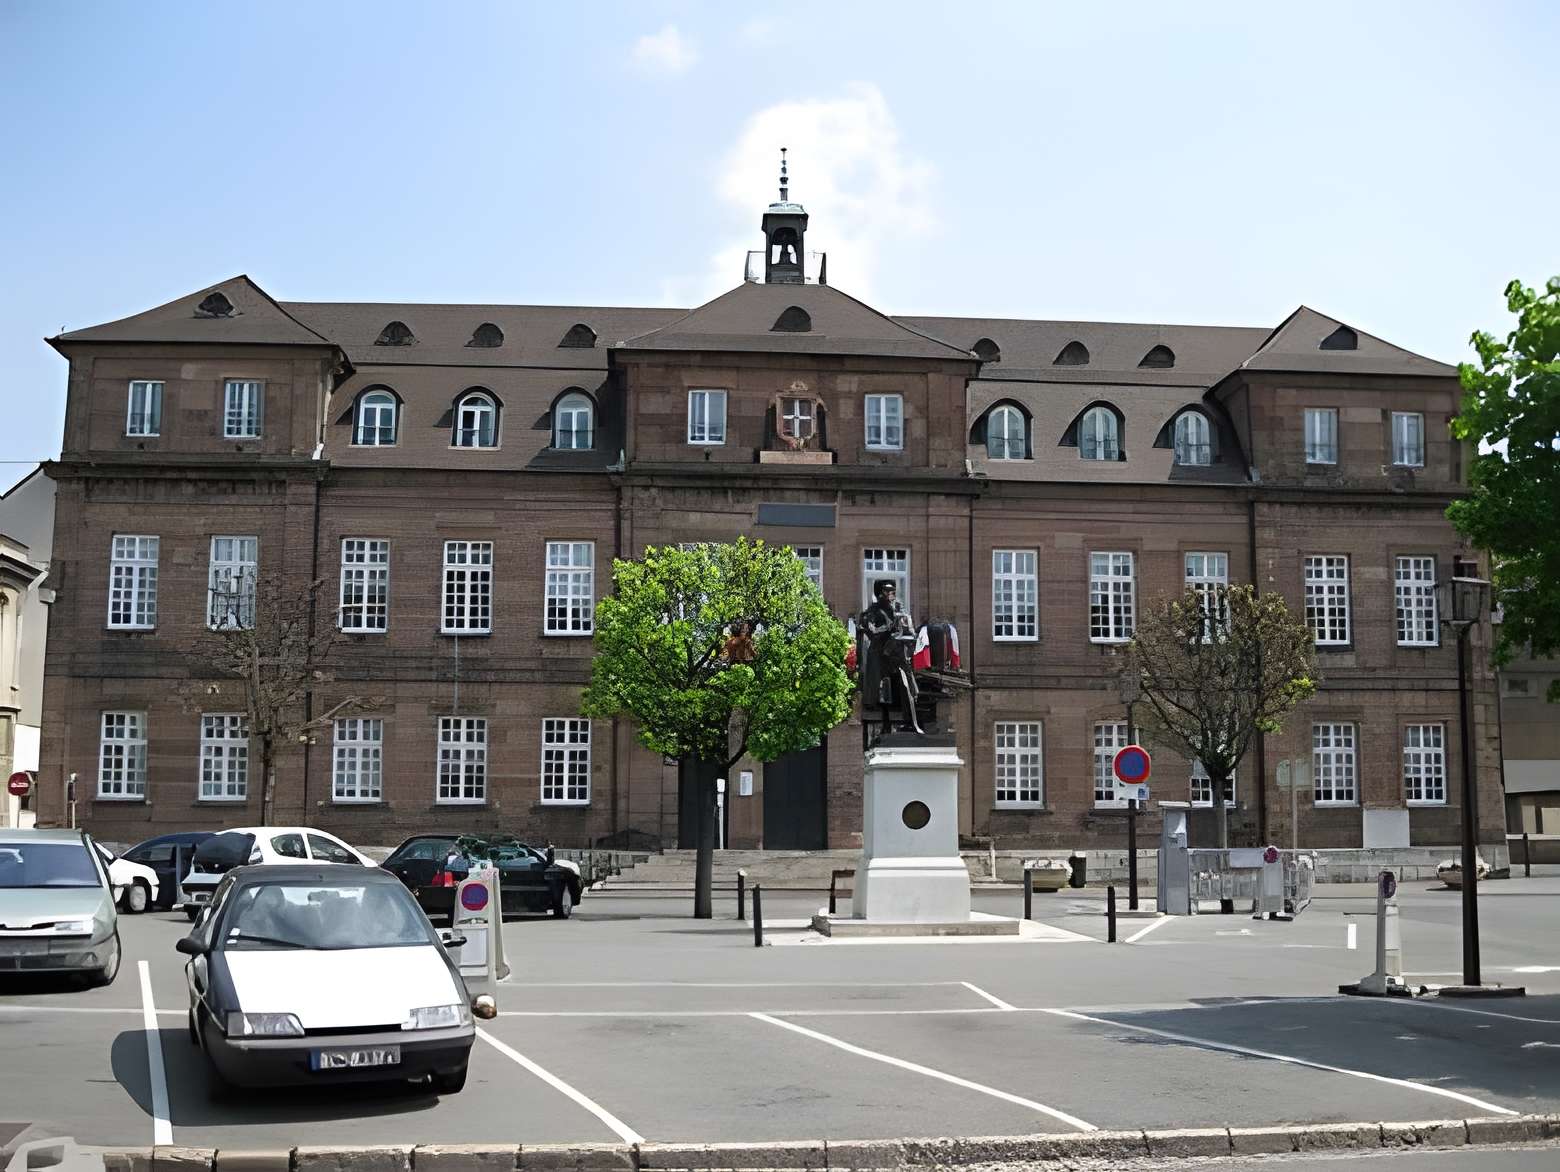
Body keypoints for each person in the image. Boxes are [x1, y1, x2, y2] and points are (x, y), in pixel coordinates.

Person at [860, 579, 923, 735]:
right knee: (881, 688)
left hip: (896, 651)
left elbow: (909, 630)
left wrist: (907, 626)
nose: (893, 594)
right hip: (880, 653)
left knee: (907, 681)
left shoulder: (899, 609)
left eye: (894, 591)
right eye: (889, 591)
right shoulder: (872, 611)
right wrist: (887, 627)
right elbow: (871, 630)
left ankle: (911, 718)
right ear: (881, 593)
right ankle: (883, 720)